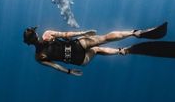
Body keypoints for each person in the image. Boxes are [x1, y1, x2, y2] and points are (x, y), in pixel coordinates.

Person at [23, 22, 168, 76]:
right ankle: (134, 32)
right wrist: (84, 33)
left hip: (78, 59)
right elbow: (67, 34)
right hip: (77, 44)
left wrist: (69, 71)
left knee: (97, 50)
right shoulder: (47, 34)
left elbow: (56, 66)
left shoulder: (39, 57)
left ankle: (123, 51)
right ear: (36, 34)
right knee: (105, 38)